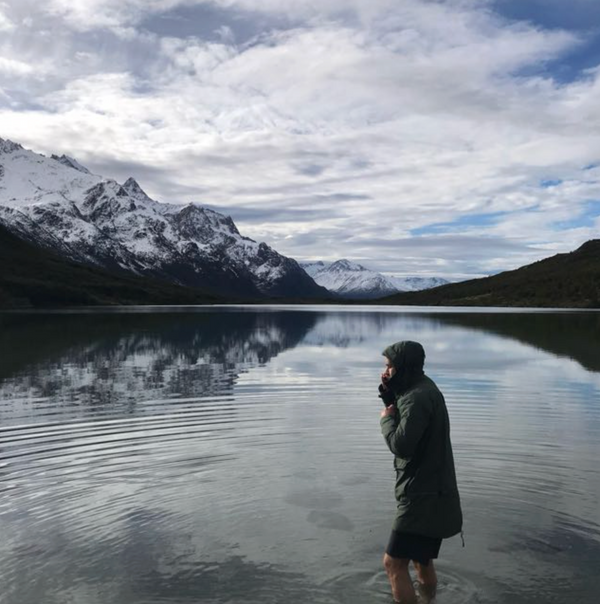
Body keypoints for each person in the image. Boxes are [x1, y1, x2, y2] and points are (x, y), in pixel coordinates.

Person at [378, 340, 462, 604]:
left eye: (390, 366)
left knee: (393, 564)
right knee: (421, 560)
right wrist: (390, 394)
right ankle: (428, 599)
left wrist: (386, 419)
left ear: (404, 367)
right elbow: (409, 418)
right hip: (433, 491)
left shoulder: (417, 397)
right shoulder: (421, 388)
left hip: (421, 495)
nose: (386, 371)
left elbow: (401, 445)